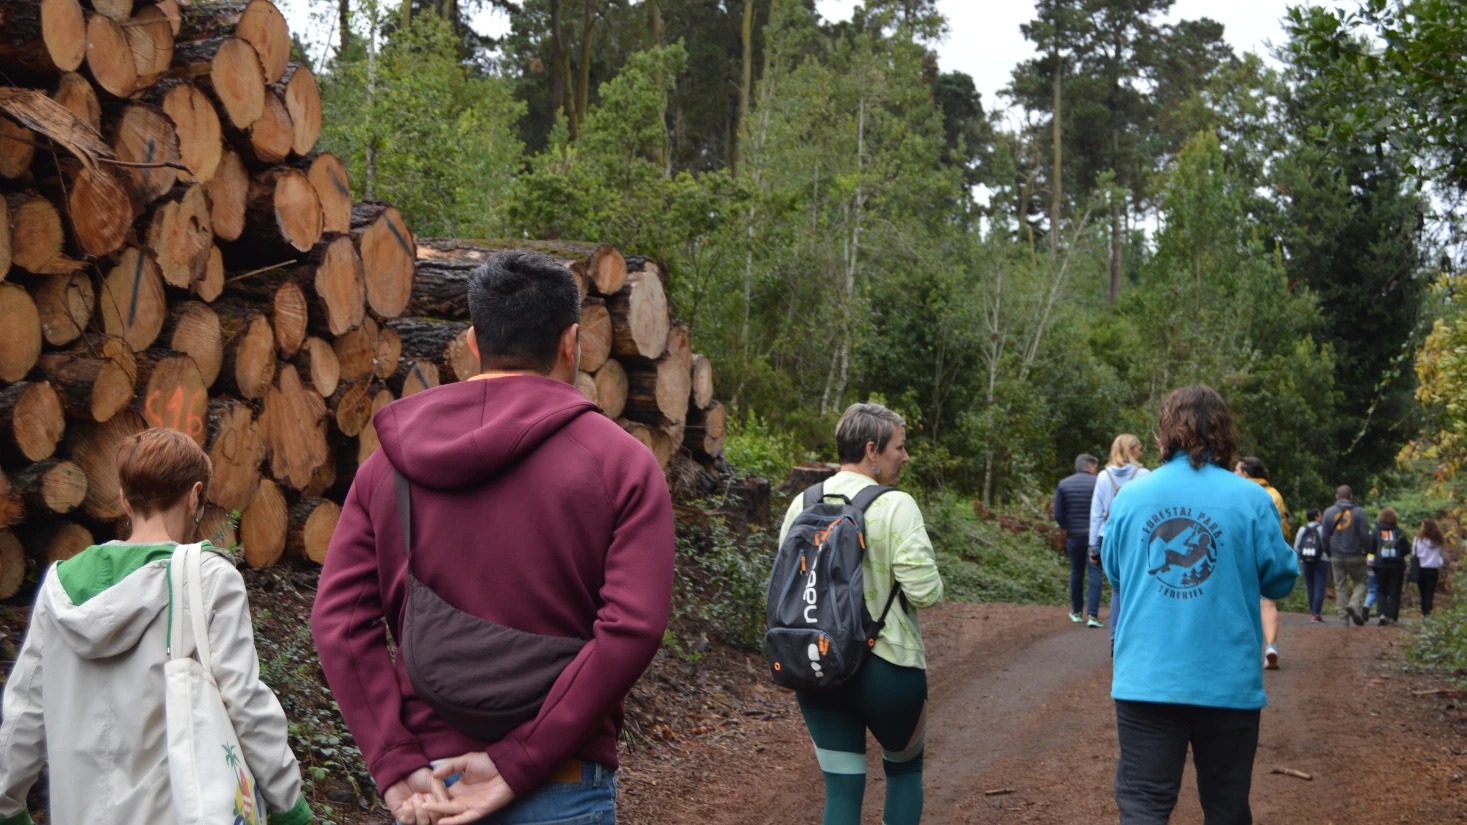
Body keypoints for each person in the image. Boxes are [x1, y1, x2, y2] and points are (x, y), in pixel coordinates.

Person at [312, 250, 676, 825]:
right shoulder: (623, 465)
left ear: (473, 342)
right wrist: (520, 760)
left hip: (432, 787)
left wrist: (392, 758)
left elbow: (340, 623)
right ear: (571, 342)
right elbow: (632, 626)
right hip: (563, 779)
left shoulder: (387, 468)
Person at [0, 428, 313, 825]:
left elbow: (25, 708)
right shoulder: (208, 579)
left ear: (124, 499)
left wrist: (7, 805)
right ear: (195, 495)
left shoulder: (59, 585)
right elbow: (245, 703)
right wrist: (290, 805)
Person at [1102, 385, 1298, 825]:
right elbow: (1281, 578)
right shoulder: (1253, 499)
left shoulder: (1131, 498)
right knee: (1226, 808)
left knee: (1143, 808)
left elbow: (1117, 573)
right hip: (1226, 683)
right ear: (1224, 434)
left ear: (1165, 433)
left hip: (1146, 680)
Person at [777, 402, 944, 825]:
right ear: (872, 449)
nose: (905, 457)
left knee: (842, 789)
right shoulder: (897, 505)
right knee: (904, 771)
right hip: (887, 668)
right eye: (899, 448)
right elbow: (925, 594)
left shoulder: (802, 503)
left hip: (817, 665)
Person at [1091, 434, 1150, 637]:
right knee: (1140, 585)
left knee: (1117, 587)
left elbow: (1096, 513)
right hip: (1136, 537)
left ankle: (1116, 636)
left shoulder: (1102, 476)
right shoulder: (1144, 475)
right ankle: (1137, 634)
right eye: (1139, 448)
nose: (1141, 452)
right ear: (1131, 450)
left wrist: (1093, 545)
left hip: (1108, 536)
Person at [1235, 457, 1289, 669]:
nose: (1233, 473)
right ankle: (1271, 647)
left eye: (1237, 470)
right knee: (1267, 602)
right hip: (1267, 553)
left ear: (1246, 474)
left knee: (1239, 601)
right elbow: (1282, 528)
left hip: (1242, 552)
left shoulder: (1239, 493)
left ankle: (1242, 651)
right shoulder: (1274, 495)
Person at [1054, 453, 1101, 625]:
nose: (1096, 471)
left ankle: (1076, 612)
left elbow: (1058, 512)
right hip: (1094, 536)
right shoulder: (1098, 483)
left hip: (1074, 536)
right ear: (1089, 466)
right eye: (1095, 467)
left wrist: (1066, 527)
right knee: (1095, 572)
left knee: (1076, 572)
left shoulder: (1064, 484)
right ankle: (1093, 615)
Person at [1323, 486, 1371, 626]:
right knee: (1362, 581)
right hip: (1355, 554)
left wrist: (1329, 552)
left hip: (1336, 555)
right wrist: (1365, 552)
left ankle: (1344, 621)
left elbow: (1325, 536)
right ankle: (1354, 604)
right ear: (1351, 496)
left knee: (1340, 586)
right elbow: (1364, 535)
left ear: (1337, 497)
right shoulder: (1360, 512)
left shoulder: (1328, 512)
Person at [1369, 508, 1410, 626]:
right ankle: (1392, 617)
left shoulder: (1376, 531)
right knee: (1394, 591)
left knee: (1381, 590)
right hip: (1397, 566)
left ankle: (1382, 614)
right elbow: (1406, 549)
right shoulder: (1400, 532)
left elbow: (1371, 548)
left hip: (1380, 565)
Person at [1294, 508, 1329, 623]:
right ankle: (1316, 614)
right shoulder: (1322, 529)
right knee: (1320, 586)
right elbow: (1326, 544)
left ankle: (1313, 612)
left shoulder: (1302, 529)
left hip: (1306, 561)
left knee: (1310, 586)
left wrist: (1302, 558)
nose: (1321, 517)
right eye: (1320, 515)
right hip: (1322, 560)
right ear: (1316, 517)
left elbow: (1296, 547)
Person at [1414, 518, 1447, 617]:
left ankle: (1424, 612)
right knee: (1430, 593)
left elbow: (1414, 553)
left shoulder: (1418, 540)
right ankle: (1428, 614)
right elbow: (1440, 555)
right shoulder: (1439, 540)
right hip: (1433, 569)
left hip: (1421, 569)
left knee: (1422, 593)